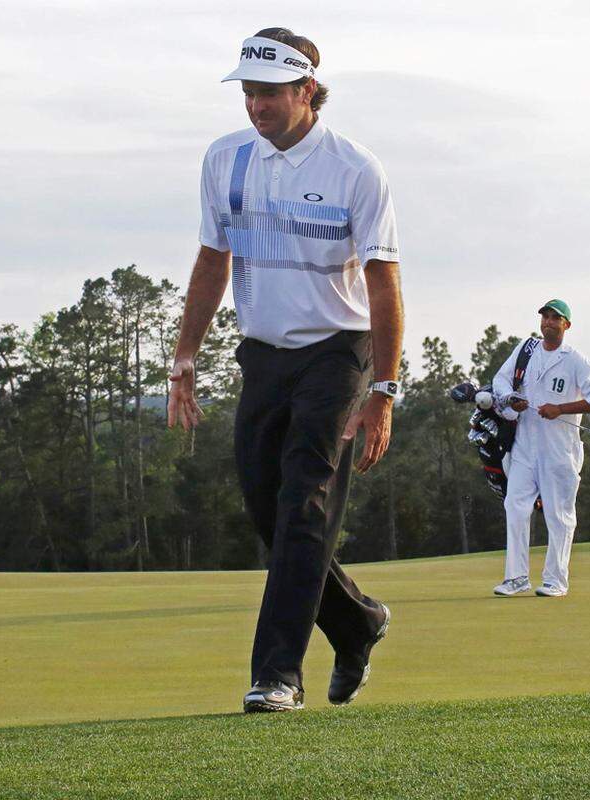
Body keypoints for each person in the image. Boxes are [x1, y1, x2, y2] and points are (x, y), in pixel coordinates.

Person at [168, 27, 403, 713]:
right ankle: (358, 622)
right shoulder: (224, 158)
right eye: (247, 91)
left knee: (304, 507)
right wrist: (185, 356)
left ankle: (277, 676)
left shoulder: (356, 169)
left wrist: (383, 391)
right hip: (262, 356)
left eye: (269, 92)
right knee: (269, 512)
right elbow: (214, 260)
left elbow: (385, 286)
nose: (255, 105)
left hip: (336, 352)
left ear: (307, 91)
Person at [491, 300, 590, 597]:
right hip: (524, 445)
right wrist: (510, 399)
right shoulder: (526, 349)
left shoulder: (576, 360)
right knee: (515, 507)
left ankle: (556, 580)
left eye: (555, 318)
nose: (548, 322)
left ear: (566, 325)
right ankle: (516, 577)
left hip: (559, 451)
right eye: (544, 316)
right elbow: (501, 380)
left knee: (558, 515)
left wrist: (561, 408)